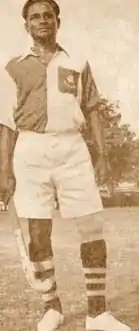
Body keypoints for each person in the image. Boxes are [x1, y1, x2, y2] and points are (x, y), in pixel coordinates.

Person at [0, 1, 131, 330]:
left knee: (91, 226)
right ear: (26, 26)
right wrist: (4, 169)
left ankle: (97, 313)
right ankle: (51, 307)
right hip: (30, 149)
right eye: (35, 18)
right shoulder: (12, 67)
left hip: (73, 148)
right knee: (37, 232)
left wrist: (101, 155)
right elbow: (6, 123)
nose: (42, 21)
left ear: (58, 21)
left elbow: (92, 110)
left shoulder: (76, 62)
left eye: (48, 16)